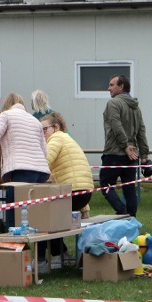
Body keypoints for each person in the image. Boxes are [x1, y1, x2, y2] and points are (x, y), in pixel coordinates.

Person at [36, 112, 94, 273]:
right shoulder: (67, 139)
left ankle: (47, 259)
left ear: (56, 127)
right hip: (83, 192)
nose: (42, 134)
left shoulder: (56, 139)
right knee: (53, 217)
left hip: (74, 192)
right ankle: (61, 254)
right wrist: (85, 208)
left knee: (42, 217)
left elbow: (43, 161)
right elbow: (76, 174)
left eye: (44, 129)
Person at [100, 75, 149, 217]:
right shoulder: (135, 107)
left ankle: (122, 212)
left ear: (121, 87)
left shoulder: (113, 103)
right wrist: (144, 155)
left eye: (111, 85)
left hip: (114, 153)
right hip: (132, 155)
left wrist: (124, 145)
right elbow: (141, 131)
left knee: (105, 185)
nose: (108, 88)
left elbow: (116, 125)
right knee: (129, 189)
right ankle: (132, 218)